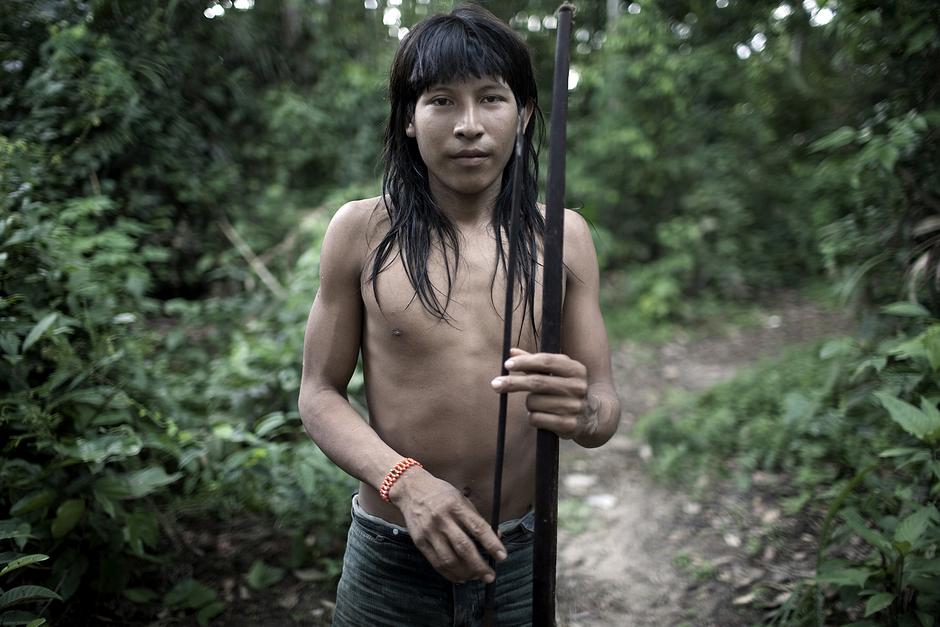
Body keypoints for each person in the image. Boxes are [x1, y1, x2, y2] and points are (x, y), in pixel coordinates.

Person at [298, 5, 620, 626]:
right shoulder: (362, 232)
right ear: (411, 121)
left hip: (521, 556)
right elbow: (318, 394)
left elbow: (602, 406)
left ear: (524, 114)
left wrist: (582, 412)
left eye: (491, 99)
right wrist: (406, 483)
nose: (469, 125)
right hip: (392, 558)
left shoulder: (565, 239)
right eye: (442, 101)